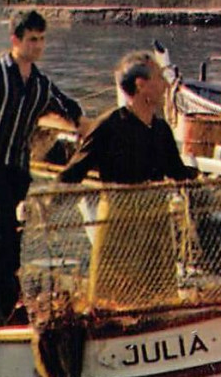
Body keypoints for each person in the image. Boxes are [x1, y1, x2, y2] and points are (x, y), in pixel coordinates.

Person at [0, 9, 82, 323]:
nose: (37, 46)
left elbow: (69, 107)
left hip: (18, 167)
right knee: (2, 219)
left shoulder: (41, 84)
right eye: (31, 40)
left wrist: (84, 124)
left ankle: (4, 303)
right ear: (15, 40)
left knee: (16, 235)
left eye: (41, 40)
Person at [58, 52, 196, 304]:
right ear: (141, 85)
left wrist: (203, 180)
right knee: (113, 297)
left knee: (158, 295)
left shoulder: (161, 129)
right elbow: (72, 173)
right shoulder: (109, 125)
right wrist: (44, 203)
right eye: (159, 78)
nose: (166, 85)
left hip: (155, 220)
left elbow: (177, 172)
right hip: (119, 223)